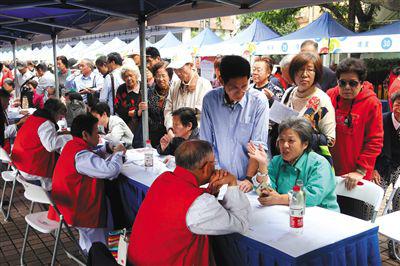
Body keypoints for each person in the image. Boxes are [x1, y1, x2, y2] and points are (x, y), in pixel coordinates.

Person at [128, 140, 250, 265]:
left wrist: (211, 190)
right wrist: (232, 183)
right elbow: (241, 223)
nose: (215, 167)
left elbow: (184, 203)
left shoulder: (163, 178)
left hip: (137, 259)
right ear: (207, 167)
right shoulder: (199, 203)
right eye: (214, 163)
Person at [47, 113, 126, 254]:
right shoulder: (81, 156)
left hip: (68, 204)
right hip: (79, 209)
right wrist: (118, 153)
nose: (99, 136)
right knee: (101, 246)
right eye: (96, 132)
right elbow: (110, 171)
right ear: (85, 134)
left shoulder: (71, 145)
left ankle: (87, 252)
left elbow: (91, 156)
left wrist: (105, 149)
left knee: (91, 240)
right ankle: (96, 257)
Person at [200, 55, 269, 192]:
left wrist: (248, 179)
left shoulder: (258, 101)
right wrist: (221, 174)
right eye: (234, 87)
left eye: (244, 86)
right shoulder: (210, 100)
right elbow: (207, 143)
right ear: (221, 81)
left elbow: (257, 145)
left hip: (249, 181)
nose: (240, 92)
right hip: (219, 177)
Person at [327, 58, 383, 219]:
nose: (346, 88)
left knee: (351, 221)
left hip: (353, 176)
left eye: (352, 83)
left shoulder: (372, 103)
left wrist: (360, 170)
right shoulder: (330, 96)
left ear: (361, 83)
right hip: (330, 172)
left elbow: (375, 140)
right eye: (342, 82)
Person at [249, 117, 339, 211]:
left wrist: (279, 199)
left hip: (322, 216)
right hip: (287, 214)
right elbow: (264, 193)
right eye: (282, 140)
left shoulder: (319, 164)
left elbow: (313, 196)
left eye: (291, 141)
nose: (284, 145)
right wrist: (262, 166)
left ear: (305, 144)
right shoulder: (277, 161)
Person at [281, 52, 336, 162]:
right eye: (300, 69)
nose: (304, 74)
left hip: (310, 163)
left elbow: (330, 139)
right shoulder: (288, 93)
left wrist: (302, 138)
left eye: (310, 69)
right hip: (284, 160)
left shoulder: (322, 99)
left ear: (317, 73)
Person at [11, 99, 71, 190]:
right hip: (31, 168)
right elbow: (51, 146)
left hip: (20, 163)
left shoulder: (34, 118)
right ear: (55, 112)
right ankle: (58, 198)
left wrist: (60, 135)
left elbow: (40, 137)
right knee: (65, 171)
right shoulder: (46, 123)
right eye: (61, 114)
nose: (61, 118)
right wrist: (70, 137)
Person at [164, 53, 212, 135]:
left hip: (196, 135)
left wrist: (186, 132)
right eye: (175, 69)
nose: (178, 73)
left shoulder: (204, 84)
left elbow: (202, 115)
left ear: (191, 65)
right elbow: (168, 110)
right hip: (175, 134)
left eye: (181, 69)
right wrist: (170, 129)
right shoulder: (175, 85)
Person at [114, 65, 145, 148]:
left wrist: (136, 113)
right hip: (126, 124)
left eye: (131, 75)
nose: (128, 78)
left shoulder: (144, 87)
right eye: (125, 76)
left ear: (136, 75)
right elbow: (117, 107)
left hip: (141, 124)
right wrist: (128, 113)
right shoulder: (121, 89)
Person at [147, 62, 170, 146]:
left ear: (169, 76)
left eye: (163, 75)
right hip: (153, 136)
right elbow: (142, 115)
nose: (160, 79)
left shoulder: (174, 91)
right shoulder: (149, 93)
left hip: (170, 134)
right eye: (157, 76)